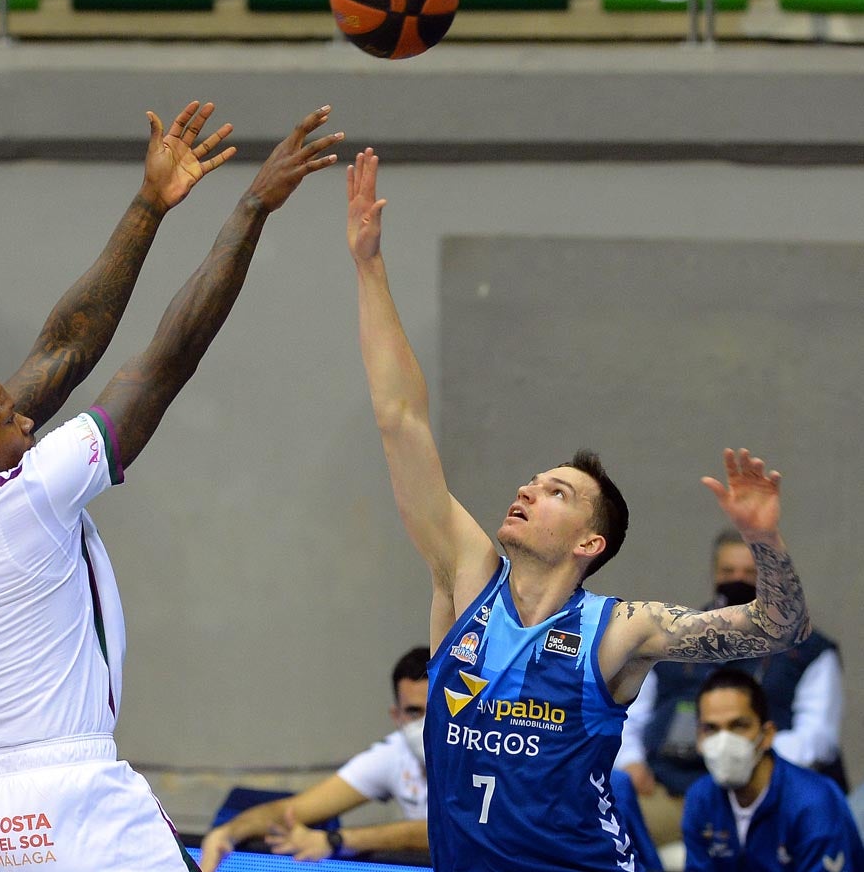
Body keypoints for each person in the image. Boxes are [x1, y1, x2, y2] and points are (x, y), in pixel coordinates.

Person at [0, 101, 343, 872]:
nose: (23, 420)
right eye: (5, 419)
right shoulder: (35, 492)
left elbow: (62, 346)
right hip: (73, 801)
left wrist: (150, 203)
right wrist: (253, 206)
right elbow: (166, 360)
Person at [345, 148, 812, 872]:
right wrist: (370, 267)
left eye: (556, 491)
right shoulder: (466, 580)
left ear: (590, 542)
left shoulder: (618, 631)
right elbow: (399, 419)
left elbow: (781, 626)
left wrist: (766, 543)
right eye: (531, 482)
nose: (528, 491)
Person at [616, 528, 845, 845]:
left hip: (759, 790)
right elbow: (630, 711)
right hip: (665, 787)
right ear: (714, 574)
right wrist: (630, 759)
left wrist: (737, 757)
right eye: (728, 571)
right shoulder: (675, 635)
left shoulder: (809, 651)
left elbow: (818, 737)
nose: (738, 579)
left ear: (769, 577)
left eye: (750, 572)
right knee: (601, 825)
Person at [200, 646, 431, 871]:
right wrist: (228, 833)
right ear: (396, 716)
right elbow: (290, 811)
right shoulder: (395, 754)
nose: (426, 723)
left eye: (435, 708)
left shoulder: (467, 749)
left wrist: (335, 841)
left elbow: (444, 832)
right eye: (414, 712)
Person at [682, 668, 863, 871]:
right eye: (711, 729)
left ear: (767, 734)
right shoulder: (700, 798)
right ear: (698, 738)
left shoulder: (814, 802)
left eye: (739, 726)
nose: (724, 741)